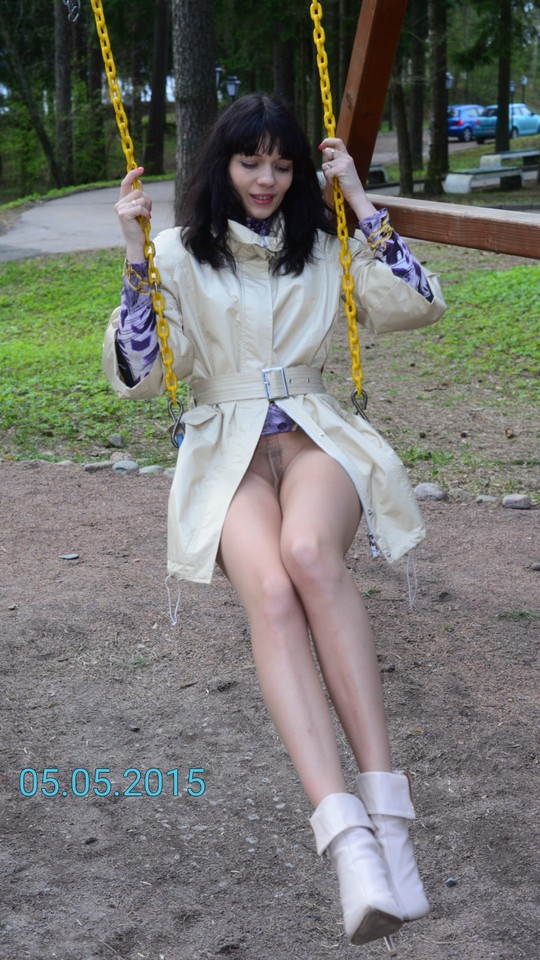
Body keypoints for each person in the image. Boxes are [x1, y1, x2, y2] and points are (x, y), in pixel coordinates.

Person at [103, 93, 446, 949]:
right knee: (272, 590)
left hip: (315, 435)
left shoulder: (323, 246)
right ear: (221, 166)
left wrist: (357, 199)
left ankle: (389, 817)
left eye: (283, 164)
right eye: (250, 161)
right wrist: (134, 255)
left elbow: (420, 303)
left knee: (310, 555)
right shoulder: (177, 252)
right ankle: (349, 843)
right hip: (227, 446)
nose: (266, 179)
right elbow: (139, 374)